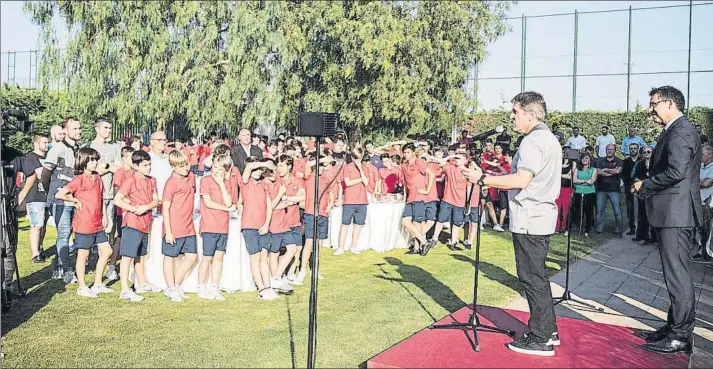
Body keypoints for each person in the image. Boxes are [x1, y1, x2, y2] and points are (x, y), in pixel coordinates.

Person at [462, 91, 561, 356]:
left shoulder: (532, 141)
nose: (512, 117)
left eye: (515, 112)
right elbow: (522, 176)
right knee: (537, 275)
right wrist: (492, 176)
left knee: (531, 277)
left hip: (530, 216)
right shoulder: (548, 139)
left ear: (529, 114)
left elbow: (521, 181)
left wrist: (483, 179)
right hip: (540, 215)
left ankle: (541, 337)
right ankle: (548, 329)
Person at [632, 86, 702, 354]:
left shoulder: (681, 130)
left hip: (676, 212)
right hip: (672, 211)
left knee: (678, 276)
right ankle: (673, 327)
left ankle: (680, 334)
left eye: (654, 104)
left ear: (670, 103)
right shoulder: (676, 129)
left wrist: (644, 186)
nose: (651, 109)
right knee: (675, 274)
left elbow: (676, 171)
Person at [55, 148, 114, 298]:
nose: (95, 163)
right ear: (83, 161)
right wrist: (74, 200)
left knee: (107, 251)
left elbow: (101, 198)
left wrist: (105, 216)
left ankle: (98, 283)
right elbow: (60, 194)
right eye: (91, 160)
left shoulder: (98, 178)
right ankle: (82, 286)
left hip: (97, 223)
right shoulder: (79, 179)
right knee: (83, 255)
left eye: (96, 160)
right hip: (84, 223)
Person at [114, 150, 161, 302]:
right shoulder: (130, 181)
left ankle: (142, 283)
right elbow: (117, 199)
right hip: (132, 223)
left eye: (150, 164)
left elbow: (155, 200)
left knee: (140, 255)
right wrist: (134, 208)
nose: (149, 167)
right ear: (136, 166)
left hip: (145, 223)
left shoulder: (152, 180)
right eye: (145, 165)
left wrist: (146, 207)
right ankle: (124, 289)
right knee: (127, 257)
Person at [42, 117, 82, 283]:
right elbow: (45, 174)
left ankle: (60, 264)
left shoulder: (79, 148)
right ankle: (65, 270)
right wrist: (50, 192)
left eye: (79, 128)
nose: (78, 131)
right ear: (65, 131)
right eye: (75, 129)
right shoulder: (57, 149)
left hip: (74, 199)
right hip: (59, 200)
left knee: (70, 233)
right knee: (64, 234)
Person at [198, 154, 236, 300]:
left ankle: (215, 286)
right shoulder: (205, 181)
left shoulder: (227, 183)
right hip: (209, 225)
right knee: (207, 257)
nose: (217, 171)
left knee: (219, 257)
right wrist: (227, 209)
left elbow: (228, 201)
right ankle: (201, 285)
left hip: (223, 226)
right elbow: (208, 203)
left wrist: (221, 184)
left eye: (220, 169)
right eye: (215, 167)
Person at [161, 150, 198, 302]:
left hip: (188, 225)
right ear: (173, 167)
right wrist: (168, 231)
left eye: (187, 164)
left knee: (192, 256)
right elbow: (165, 207)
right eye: (182, 166)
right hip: (174, 226)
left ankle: (175, 284)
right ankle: (170, 287)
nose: (186, 168)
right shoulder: (171, 183)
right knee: (170, 257)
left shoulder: (191, 178)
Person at [242, 157, 281, 300]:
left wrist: (266, 224)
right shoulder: (245, 182)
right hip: (249, 226)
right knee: (255, 258)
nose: (258, 172)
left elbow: (269, 206)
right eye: (255, 169)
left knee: (264, 257)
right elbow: (247, 168)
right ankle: (262, 288)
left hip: (263, 226)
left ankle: (268, 286)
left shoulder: (264, 185)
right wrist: (264, 164)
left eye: (260, 170)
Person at [294, 152, 335, 285]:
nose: (322, 168)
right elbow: (307, 165)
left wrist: (330, 203)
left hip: (323, 214)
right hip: (311, 213)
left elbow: (331, 193)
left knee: (319, 244)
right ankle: (302, 270)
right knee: (309, 243)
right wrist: (322, 158)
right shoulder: (309, 176)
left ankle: (315, 269)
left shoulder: (325, 179)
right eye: (321, 165)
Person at [89, 118, 123, 251]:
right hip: (94, 193)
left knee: (108, 225)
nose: (108, 131)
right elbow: (92, 171)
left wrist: (107, 166)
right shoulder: (90, 147)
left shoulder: (113, 148)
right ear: (97, 129)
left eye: (110, 128)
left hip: (109, 192)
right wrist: (108, 167)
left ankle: (103, 251)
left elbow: (119, 167)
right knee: (94, 223)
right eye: (105, 128)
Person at [400, 143, 437, 256]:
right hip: (410, 197)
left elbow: (431, 175)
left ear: (413, 152)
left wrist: (427, 190)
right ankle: (424, 242)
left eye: (408, 152)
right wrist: (404, 196)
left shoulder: (419, 163)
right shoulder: (404, 165)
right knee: (405, 221)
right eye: (405, 152)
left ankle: (417, 247)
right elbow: (406, 183)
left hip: (419, 197)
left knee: (417, 223)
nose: (406, 155)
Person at [17, 134, 50, 263]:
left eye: (47, 142)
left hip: (47, 195)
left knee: (44, 225)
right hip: (35, 196)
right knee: (37, 225)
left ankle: (40, 247)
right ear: (36, 143)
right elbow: (40, 174)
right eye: (44, 142)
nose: (47, 145)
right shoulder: (31, 157)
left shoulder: (48, 157)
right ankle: (35, 253)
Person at [274, 155, 304, 285]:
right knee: (279, 251)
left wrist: (287, 199)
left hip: (294, 220)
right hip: (279, 222)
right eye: (278, 166)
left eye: (281, 166)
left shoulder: (297, 181)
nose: (278, 169)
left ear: (289, 166)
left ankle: (290, 274)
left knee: (297, 249)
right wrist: (293, 199)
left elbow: (302, 197)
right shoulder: (275, 181)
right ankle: (277, 275)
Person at [105, 146, 135, 280]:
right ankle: (112, 266)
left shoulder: (135, 172)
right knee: (120, 237)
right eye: (131, 157)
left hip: (133, 210)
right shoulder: (120, 172)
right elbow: (117, 192)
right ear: (124, 159)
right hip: (121, 211)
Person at [335, 147, 370, 256]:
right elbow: (347, 182)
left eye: (359, 158)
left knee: (358, 224)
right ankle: (341, 247)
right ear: (352, 157)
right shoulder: (347, 168)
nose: (357, 160)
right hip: (349, 200)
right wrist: (360, 179)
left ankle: (354, 246)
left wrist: (360, 169)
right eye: (355, 158)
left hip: (362, 200)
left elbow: (367, 182)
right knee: (345, 224)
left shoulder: (365, 168)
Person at [430, 154, 468, 250]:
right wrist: (453, 155)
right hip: (447, 199)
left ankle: (454, 242)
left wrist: (468, 203)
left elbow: (469, 188)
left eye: (459, 158)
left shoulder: (467, 172)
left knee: (456, 223)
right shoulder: (450, 168)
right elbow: (441, 161)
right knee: (440, 220)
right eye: (456, 158)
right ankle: (434, 239)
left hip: (460, 201)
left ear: (465, 160)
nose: (456, 160)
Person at [595, 144, 624, 237]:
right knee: (599, 211)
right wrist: (611, 172)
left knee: (617, 211)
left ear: (615, 150)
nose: (610, 151)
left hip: (614, 190)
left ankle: (619, 231)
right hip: (601, 189)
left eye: (611, 149)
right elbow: (598, 172)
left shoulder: (619, 161)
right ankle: (599, 230)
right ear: (606, 150)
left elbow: (618, 171)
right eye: (608, 149)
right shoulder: (600, 160)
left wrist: (606, 169)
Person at [693, 144, 713, 263]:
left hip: (708, 202)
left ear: (710, 155)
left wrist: (696, 181)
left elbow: (706, 183)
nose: (700, 157)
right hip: (698, 201)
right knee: (700, 228)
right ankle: (701, 251)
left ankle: (708, 254)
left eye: (703, 154)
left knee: (708, 229)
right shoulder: (700, 166)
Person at [633, 147, 655, 245]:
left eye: (648, 152)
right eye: (644, 152)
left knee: (654, 215)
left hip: (653, 192)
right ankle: (642, 237)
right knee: (642, 214)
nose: (646, 153)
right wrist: (642, 182)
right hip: (642, 191)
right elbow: (635, 176)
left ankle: (654, 238)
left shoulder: (656, 164)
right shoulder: (639, 164)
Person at [572, 154, 597, 237]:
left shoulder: (594, 170)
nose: (584, 160)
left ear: (590, 159)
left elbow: (592, 181)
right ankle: (579, 226)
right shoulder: (577, 169)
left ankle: (587, 229)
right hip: (578, 192)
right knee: (578, 210)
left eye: (586, 158)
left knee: (588, 211)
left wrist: (581, 181)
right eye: (583, 158)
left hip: (590, 193)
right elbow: (575, 180)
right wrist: (586, 181)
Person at [622, 143, 641, 236]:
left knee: (641, 208)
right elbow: (623, 175)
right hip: (629, 187)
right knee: (630, 208)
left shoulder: (641, 160)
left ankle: (641, 229)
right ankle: (632, 228)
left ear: (638, 149)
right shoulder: (626, 162)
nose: (633, 150)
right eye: (631, 149)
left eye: (634, 148)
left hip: (641, 187)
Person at [147, 131, 172, 200]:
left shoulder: (169, 158)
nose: (163, 142)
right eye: (160, 140)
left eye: (165, 140)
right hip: (151, 200)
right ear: (152, 142)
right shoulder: (146, 159)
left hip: (168, 199)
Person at [555, 150, 575, 235]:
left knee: (566, 209)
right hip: (558, 188)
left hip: (568, 188)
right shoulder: (558, 162)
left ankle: (564, 227)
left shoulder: (573, 164)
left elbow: (570, 176)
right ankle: (556, 227)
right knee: (557, 208)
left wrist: (558, 175)